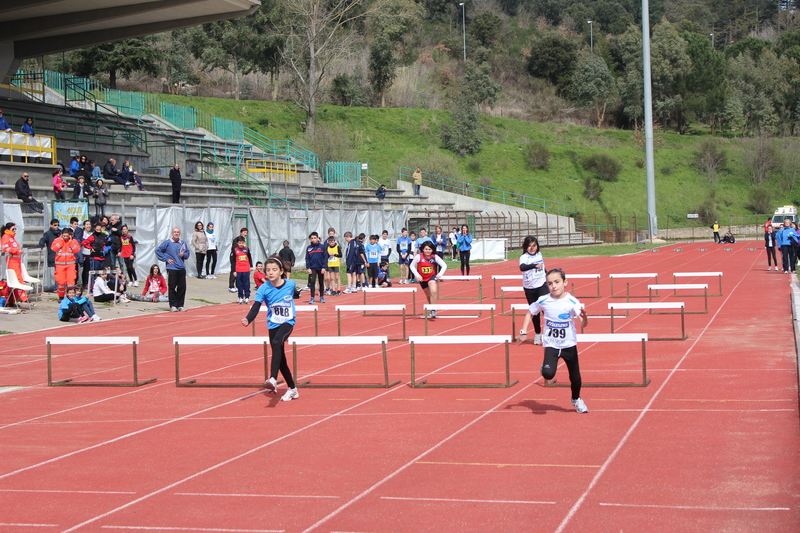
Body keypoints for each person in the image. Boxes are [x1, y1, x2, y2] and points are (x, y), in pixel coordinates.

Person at [516, 268, 589, 414]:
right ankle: (545, 367)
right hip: (551, 345)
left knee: (575, 377)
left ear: (565, 282)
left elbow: (582, 323)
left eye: (557, 282)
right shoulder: (544, 300)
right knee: (548, 374)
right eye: (550, 283)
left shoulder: (572, 301)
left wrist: (585, 318)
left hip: (569, 344)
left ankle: (576, 399)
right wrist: (523, 331)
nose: (554, 286)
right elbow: (531, 312)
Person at [241, 257, 299, 402]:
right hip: (273, 323)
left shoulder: (290, 284)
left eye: (274, 270)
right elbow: (256, 306)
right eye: (268, 270)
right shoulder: (264, 288)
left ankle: (273, 378)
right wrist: (248, 318)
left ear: (281, 271)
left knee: (278, 342)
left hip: (287, 321)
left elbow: (294, 294)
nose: (271, 273)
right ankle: (292, 388)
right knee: (281, 359)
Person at [519, 236, 548, 345]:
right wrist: (534, 265)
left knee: (546, 308)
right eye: (529, 246)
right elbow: (522, 267)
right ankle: (537, 333)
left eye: (534, 245)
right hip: (530, 288)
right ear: (526, 247)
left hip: (542, 285)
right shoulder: (524, 257)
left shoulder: (539, 255)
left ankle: (548, 333)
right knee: (534, 311)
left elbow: (543, 269)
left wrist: (549, 276)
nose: (532, 248)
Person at [155, 227, 190, 311]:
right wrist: (166, 259)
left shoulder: (183, 243)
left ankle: (180, 304)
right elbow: (158, 251)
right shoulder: (167, 243)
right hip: (172, 268)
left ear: (180, 233)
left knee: (182, 287)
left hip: (181, 268)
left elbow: (187, 253)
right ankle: (173, 305)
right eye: (175, 232)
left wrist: (183, 255)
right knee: (172, 286)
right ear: (172, 233)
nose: (176, 233)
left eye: (178, 232)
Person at [410, 241, 448, 318]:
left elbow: (444, 265)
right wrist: (417, 275)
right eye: (426, 249)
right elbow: (411, 266)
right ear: (423, 249)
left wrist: (440, 274)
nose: (427, 251)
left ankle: (433, 309)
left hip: (432, 277)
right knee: (428, 295)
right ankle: (431, 307)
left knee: (433, 291)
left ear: (432, 250)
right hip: (422, 278)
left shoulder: (435, 257)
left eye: (429, 249)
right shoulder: (419, 257)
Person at [2, 222, 28, 304]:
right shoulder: (6, 237)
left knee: (19, 279)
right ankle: (23, 298)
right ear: (8, 229)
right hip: (12, 262)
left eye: (15, 229)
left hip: (16, 262)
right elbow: (5, 249)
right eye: (13, 229)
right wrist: (17, 251)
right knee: (18, 280)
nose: (14, 230)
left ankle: (18, 298)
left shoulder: (11, 237)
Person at [51, 227, 81, 299]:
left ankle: (70, 297)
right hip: (59, 265)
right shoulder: (57, 240)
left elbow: (76, 250)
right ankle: (61, 297)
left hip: (70, 265)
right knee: (61, 283)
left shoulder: (73, 241)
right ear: (61, 235)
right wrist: (61, 242)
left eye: (67, 236)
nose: (65, 237)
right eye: (64, 236)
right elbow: (54, 249)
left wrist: (70, 242)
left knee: (71, 282)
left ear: (70, 235)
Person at [305, 231, 328, 304]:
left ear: (318, 238)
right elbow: (307, 258)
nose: (313, 239)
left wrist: (324, 267)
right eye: (312, 238)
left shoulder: (322, 247)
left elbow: (325, 257)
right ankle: (312, 297)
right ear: (310, 240)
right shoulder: (309, 248)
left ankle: (321, 297)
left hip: (321, 267)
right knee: (312, 282)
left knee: (321, 282)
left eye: (315, 238)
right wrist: (308, 268)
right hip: (312, 268)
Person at [233, 236, 253, 304]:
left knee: (246, 283)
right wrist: (234, 271)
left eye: (242, 243)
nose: (241, 244)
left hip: (246, 269)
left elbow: (250, 258)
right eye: (239, 243)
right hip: (238, 269)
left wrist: (251, 266)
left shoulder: (246, 249)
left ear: (244, 243)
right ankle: (241, 297)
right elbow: (233, 261)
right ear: (237, 243)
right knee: (239, 284)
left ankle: (247, 297)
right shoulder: (235, 250)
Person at [229, 228, 249, 293]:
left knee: (239, 272)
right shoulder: (237, 239)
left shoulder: (244, 240)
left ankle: (238, 286)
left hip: (241, 258)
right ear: (241, 232)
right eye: (244, 232)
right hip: (235, 256)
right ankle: (231, 286)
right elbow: (235, 249)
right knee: (234, 270)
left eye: (246, 232)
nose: (245, 234)